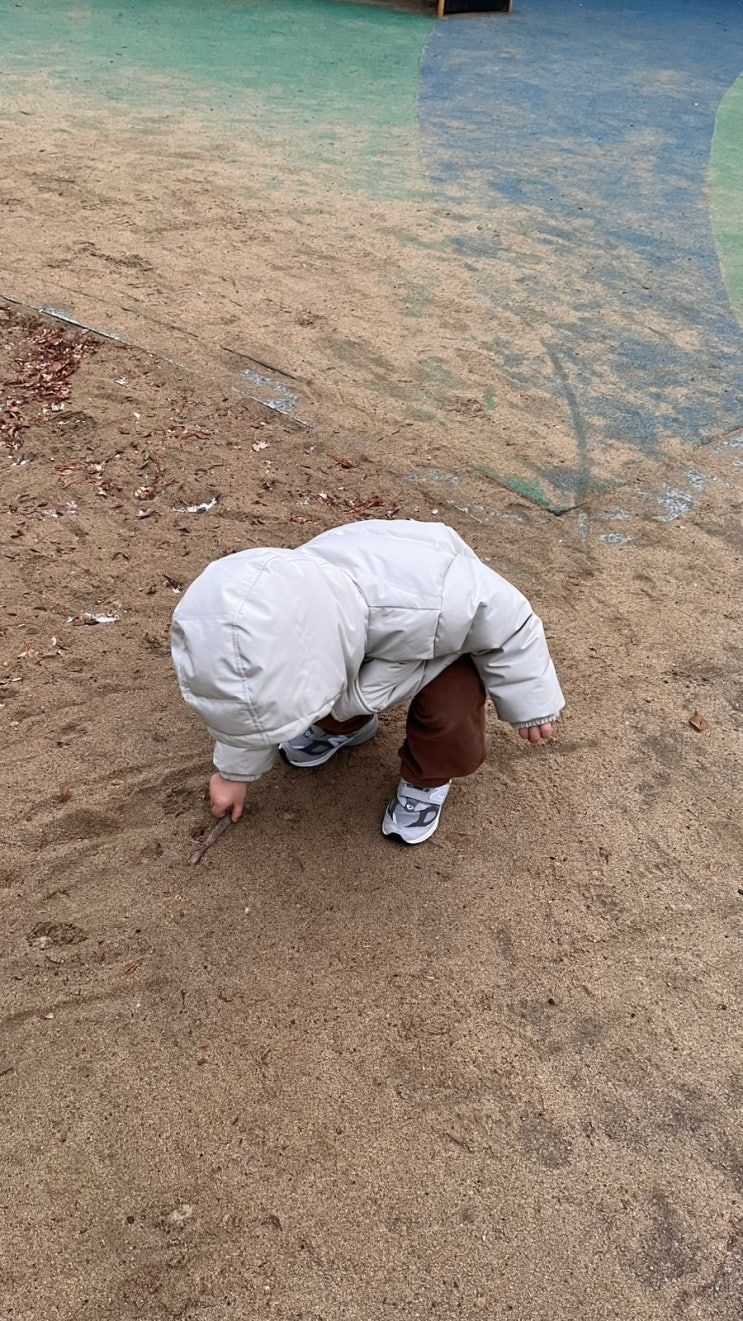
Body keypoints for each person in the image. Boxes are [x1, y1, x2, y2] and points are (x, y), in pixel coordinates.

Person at [170, 519, 564, 846]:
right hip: (357, 630)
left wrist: (530, 701)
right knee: (306, 695)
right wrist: (233, 773)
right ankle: (342, 727)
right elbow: (246, 700)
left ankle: (427, 778)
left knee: (449, 708)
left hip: (439, 634)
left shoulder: (436, 602)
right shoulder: (277, 616)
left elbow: (509, 619)